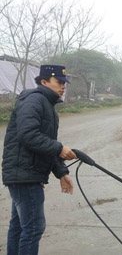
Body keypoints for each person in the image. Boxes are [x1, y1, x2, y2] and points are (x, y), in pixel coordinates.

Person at [2, 64, 78, 255]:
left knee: (20, 226)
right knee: (34, 227)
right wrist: (60, 148)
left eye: (64, 83)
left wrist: (62, 173)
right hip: (24, 173)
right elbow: (28, 135)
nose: (63, 87)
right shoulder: (34, 101)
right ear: (44, 82)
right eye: (59, 82)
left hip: (26, 173)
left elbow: (45, 145)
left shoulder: (47, 105)